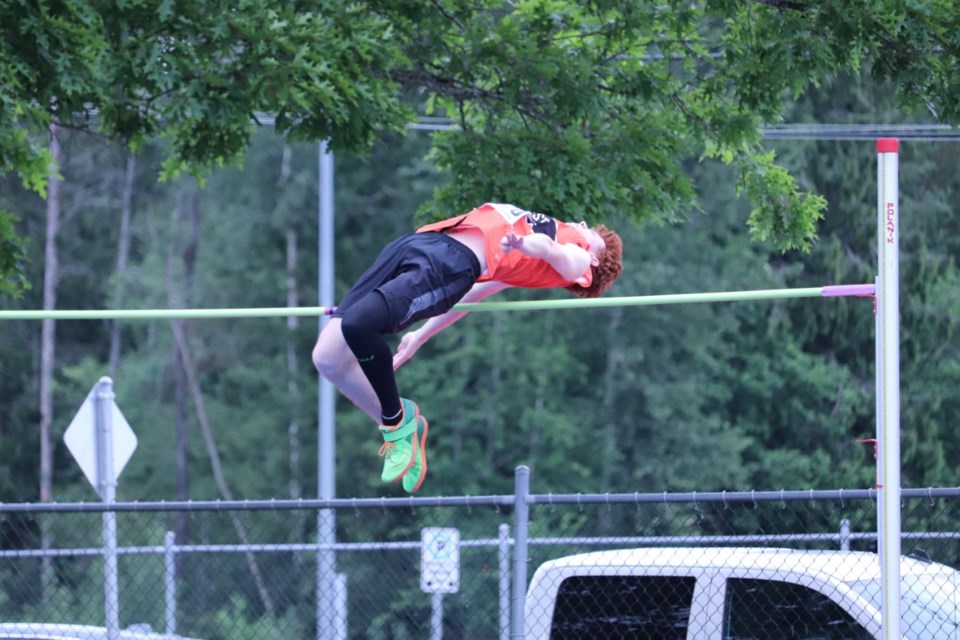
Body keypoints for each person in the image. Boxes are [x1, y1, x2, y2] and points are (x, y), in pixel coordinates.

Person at [312, 202, 623, 493]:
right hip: (421, 243)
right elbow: (473, 295)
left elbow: (554, 251)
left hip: (447, 264)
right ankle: (400, 420)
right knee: (326, 358)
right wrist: (421, 334)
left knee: (358, 325)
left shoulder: (579, 260)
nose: (583, 224)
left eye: (592, 234)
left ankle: (395, 424)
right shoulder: (525, 263)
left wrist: (526, 244)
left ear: (594, 258)